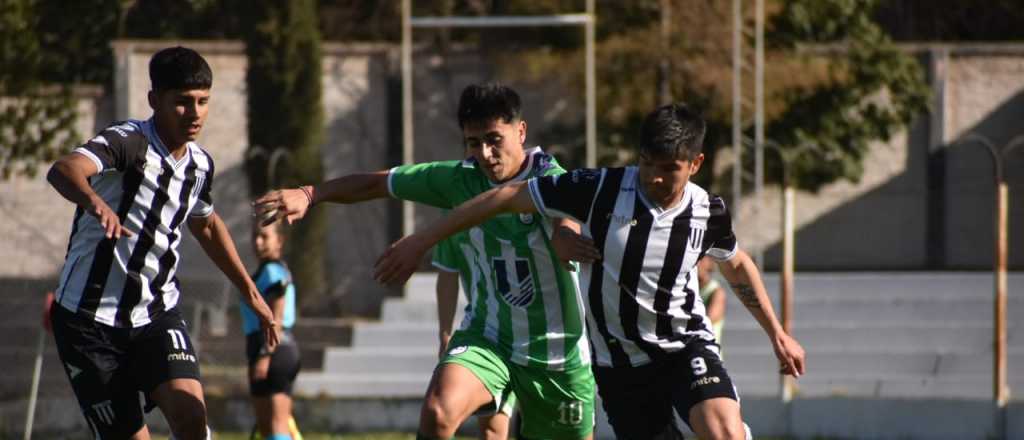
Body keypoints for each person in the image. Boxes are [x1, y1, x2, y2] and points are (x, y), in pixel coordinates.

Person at [374, 103, 806, 440]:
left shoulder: (708, 211)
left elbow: (738, 264)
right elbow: (505, 198)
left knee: (724, 431)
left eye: (669, 168)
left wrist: (777, 333)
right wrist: (422, 239)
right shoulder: (598, 189)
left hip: (683, 347)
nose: (655, 177)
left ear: (695, 163)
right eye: (648, 164)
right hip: (618, 364)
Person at [254, 83, 596, 440]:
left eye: (495, 139)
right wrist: (311, 194)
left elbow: (565, 222)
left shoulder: (551, 178)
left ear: (520, 131)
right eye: (473, 142)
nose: (485, 153)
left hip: (557, 352)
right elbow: (377, 184)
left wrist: (567, 238)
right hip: (490, 337)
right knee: (438, 411)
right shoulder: (458, 179)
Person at [46, 46, 279, 440]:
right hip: (88, 323)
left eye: (203, 101)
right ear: (155, 100)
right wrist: (95, 201)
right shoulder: (127, 142)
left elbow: (205, 224)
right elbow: (64, 170)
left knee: (191, 416)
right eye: (183, 102)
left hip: (155, 314)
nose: (195, 113)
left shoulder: (200, 165)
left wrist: (252, 294)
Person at [243, 221, 303, 440]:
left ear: (280, 241)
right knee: (267, 426)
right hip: (271, 350)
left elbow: (276, 316)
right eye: (255, 237)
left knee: (277, 424)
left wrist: (265, 355)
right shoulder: (270, 270)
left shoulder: (272, 271)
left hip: (274, 351)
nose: (258, 242)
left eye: (264, 237)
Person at [697, 255, 727, 344]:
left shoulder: (716, 292)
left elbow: (707, 322)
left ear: (710, 263)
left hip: (708, 354)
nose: (697, 264)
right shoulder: (688, 291)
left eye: (701, 259)